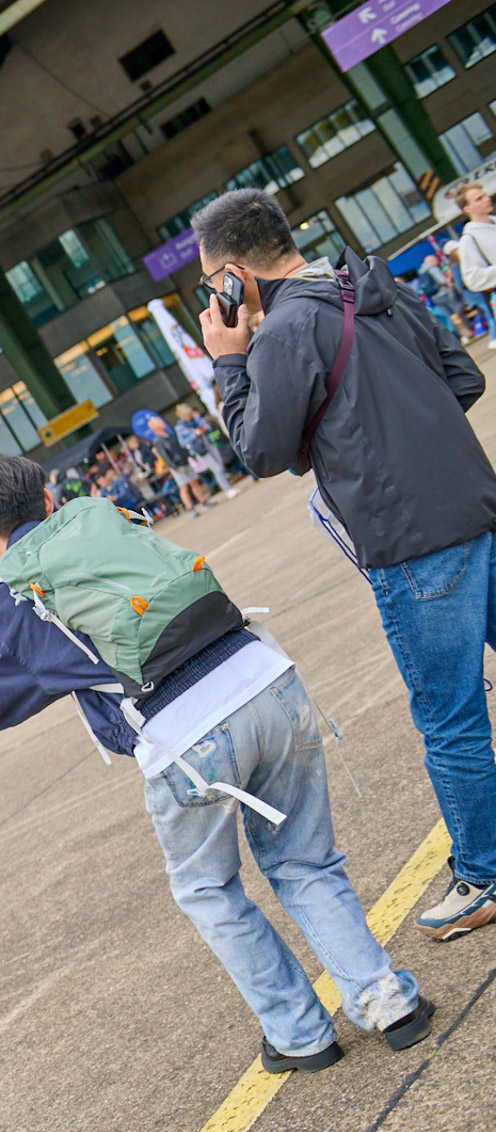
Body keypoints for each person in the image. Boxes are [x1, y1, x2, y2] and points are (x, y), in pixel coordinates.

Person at [0, 454, 433, 1069]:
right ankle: (390, 1001)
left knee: (208, 887)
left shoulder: (7, 599)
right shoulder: (105, 521)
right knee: (303, 859)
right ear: (48, 502)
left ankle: (301, 1035)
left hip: (184, 735)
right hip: (264, 676)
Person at [196, 187, 496, 943]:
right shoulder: (372, 283)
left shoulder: (282, 334)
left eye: (211, 285)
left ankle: (485, 874)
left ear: (233, 275)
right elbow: (465, 380)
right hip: (478, 505)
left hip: (412, 544)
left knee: (450, 715)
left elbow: (260, 450)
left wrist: (228, 364)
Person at [172, 402, 239, 498]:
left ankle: (229, 488)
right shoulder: (180, 428)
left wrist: (204, 428)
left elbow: (208, 426)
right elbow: (182, 443)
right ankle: (228, 490)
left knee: (221, 466)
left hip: (210, 444)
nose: (190, 417)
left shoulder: (196, 419)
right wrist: (195, 434)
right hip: (200, 450)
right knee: (217, 469)